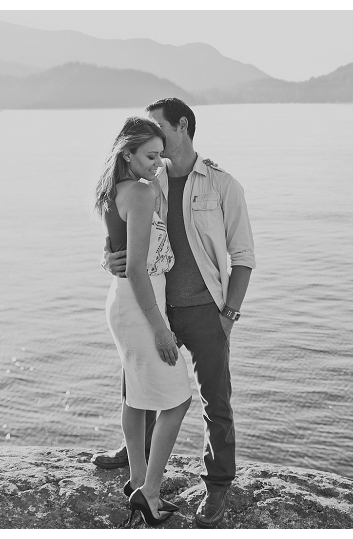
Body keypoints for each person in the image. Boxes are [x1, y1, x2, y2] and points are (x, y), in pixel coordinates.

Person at [97, 98, 255, 528]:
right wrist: (107, 258)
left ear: (181, 126)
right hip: (159, 306)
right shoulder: (150, 177)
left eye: (159, 128)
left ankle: (217, 485)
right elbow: (123, 232)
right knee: (139, 379)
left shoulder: (224, 184)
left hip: (206, 310)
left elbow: (243, 256)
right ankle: (135, 457)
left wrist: (229, 316)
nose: (153, 137)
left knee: (214, 400)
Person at [94, 116, 193, 526]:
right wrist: (161, 328)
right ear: (128, 153)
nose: (158, 162)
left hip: (126, 302)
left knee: (135, 397)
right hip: (139, 304)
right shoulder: (138, 192)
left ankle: (137, 478)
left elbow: (115, 250)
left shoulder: (113, 190)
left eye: (160, 154)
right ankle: (148, 492)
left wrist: (106, 257)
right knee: (180, 399)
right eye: (150, 155)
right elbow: (135, 268)